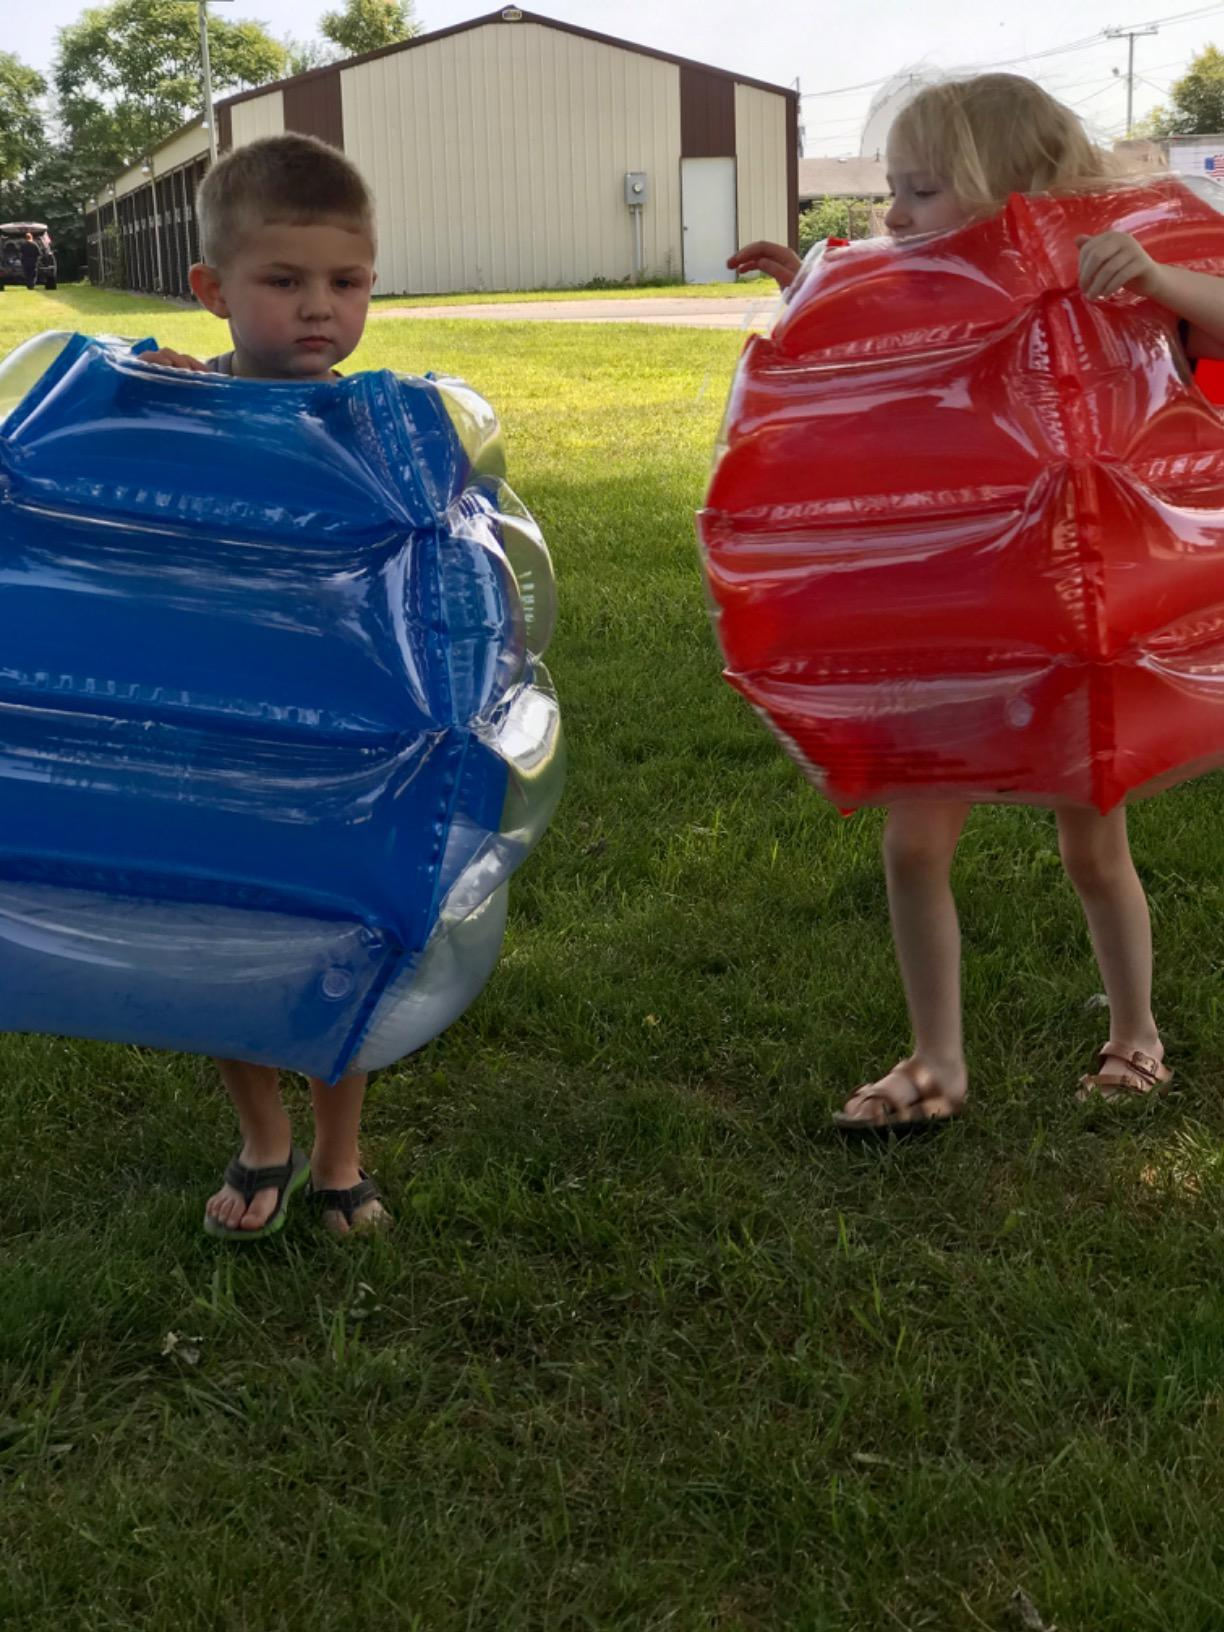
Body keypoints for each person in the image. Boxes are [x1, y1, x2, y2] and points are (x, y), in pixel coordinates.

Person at [727, 73, 1224, 1131]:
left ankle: (1137, 1035)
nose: (893, 216)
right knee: (913, 846)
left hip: (1079, 619)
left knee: (1094, 849)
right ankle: (935, 1061)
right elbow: (864, 368)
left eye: (919, 193)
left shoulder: (1117, 272)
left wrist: (1160, 280)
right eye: (893, 194)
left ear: (1009, 191)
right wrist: (812, 286)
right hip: (951, 621)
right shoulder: (920, 283)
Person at [140, 133, 387, 1233]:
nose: (318, 309)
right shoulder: (178, 411)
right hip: (211, 734)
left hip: (340, 745)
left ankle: (340, 1155)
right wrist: (154, 405)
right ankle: (263, 1136)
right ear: (213, 290)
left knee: (340, 940)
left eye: (347, 282)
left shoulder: (378, 427)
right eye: (283, 282)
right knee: (222, 942)